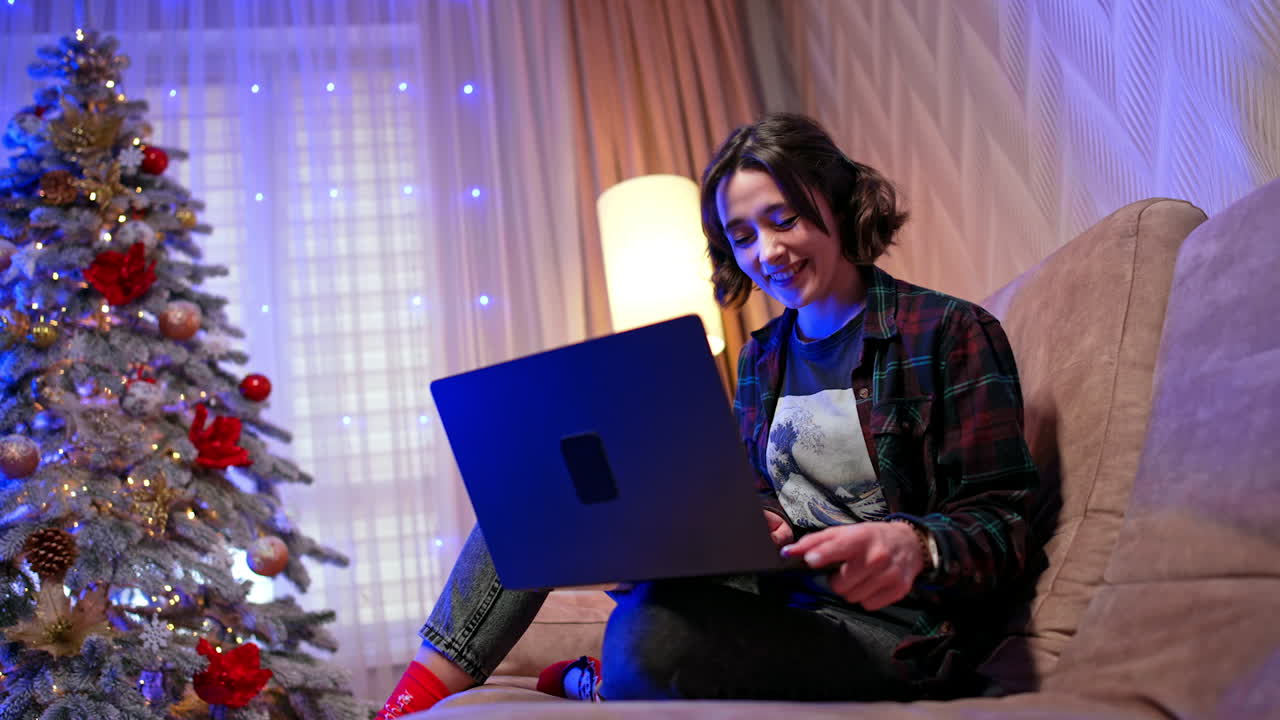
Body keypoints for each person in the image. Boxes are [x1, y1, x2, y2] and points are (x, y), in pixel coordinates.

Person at [376, 112, 1044, 717]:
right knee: (538, 486)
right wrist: (750, 520)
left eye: (786, 219)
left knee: (647, 635)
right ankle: (413, 702)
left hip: (897, 629)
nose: (769, 253)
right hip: (779, 591)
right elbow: (762, 494)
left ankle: (600, 680)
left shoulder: (949, 333)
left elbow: (1006, 522)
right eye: (744, 235)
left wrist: (912, 542)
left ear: (837, 203)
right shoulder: (762, 359)